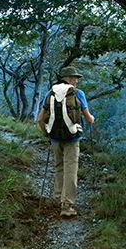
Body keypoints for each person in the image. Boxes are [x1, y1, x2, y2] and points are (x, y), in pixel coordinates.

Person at [36, 66, 95, 217]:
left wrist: (47, 132)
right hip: (72, 138)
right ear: (68, 78)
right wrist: (92, 119)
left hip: (55, 137)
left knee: (59, 166)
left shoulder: (50, 93)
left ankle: (58, 199)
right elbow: (88, 118)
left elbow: (40, 119)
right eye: (75, 77)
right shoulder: (77, 93)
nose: (77, 80)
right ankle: (67, 205)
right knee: (71, 169)